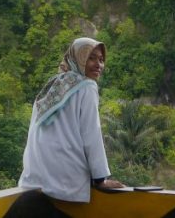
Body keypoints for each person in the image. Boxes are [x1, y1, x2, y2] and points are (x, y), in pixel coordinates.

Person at [18, 37, 126, 202]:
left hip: (34, 180)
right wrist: (100, 179)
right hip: (66, 183)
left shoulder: (52, 85)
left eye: (101, 60)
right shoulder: (87, 87)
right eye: (91, 57)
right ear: (78, 58)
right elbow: (92, 135)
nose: (99, 65)